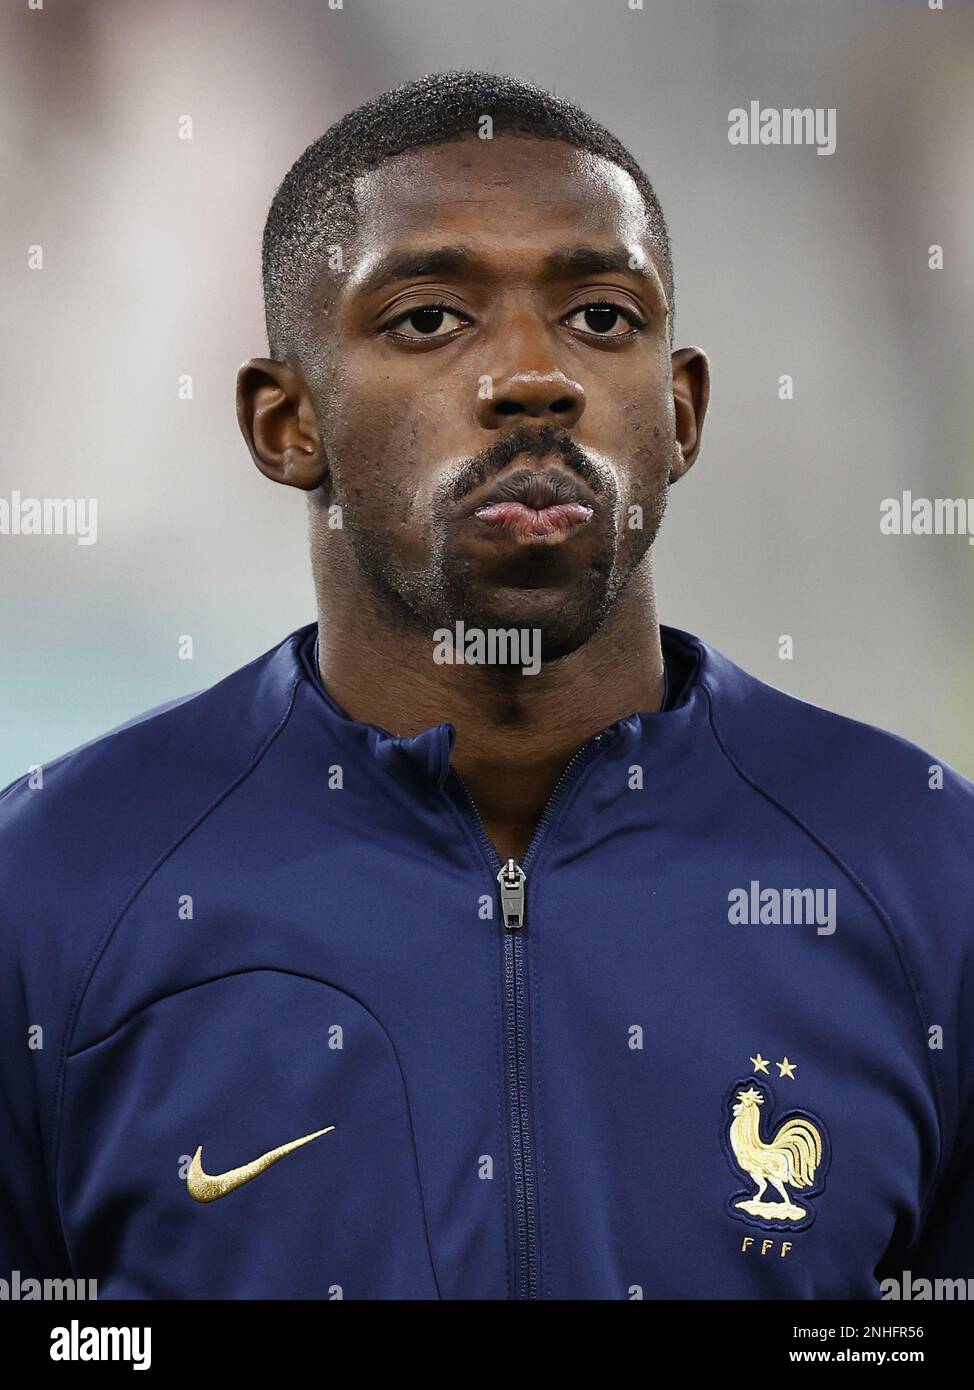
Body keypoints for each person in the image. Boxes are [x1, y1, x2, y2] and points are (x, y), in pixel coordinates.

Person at [2, 71, 971, 1301]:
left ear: (680, 415)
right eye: (428, 318)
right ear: (282, 422)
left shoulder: (925, 869)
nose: (532, 377)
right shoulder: (53, 888)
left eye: (601, 317)